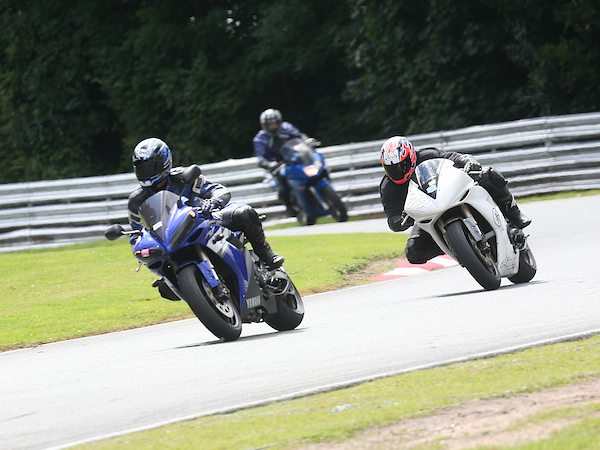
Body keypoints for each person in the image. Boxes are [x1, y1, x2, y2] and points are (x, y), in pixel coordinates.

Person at [127, 137, 284, 276]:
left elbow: (219, 190)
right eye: (141, 167)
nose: (145, 172)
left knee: (244, 213)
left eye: (150, 166)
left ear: (164, 162)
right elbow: (136, 235)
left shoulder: (182, 177)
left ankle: (265, 253)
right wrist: (142, 244)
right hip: (168, 242)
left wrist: (214, 201)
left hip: (205, 221)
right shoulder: (136, 201)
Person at [379, 136, 531, 264]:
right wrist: (400, 221)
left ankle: (514, 213)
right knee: (414, 253)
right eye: (391, 168)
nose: (397, 172)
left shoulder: (427, 155)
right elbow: (392, 217)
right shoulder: (388, 187)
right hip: (428, 213)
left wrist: (468, 162)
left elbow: (454, 157)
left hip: (452, 192)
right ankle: (457, 247)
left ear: (411, 157)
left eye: (401, 165)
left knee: (489, 174)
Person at [252, 108, 320, 215]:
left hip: (294, 158)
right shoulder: (260, 138)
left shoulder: (287, 127)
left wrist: (307, 141)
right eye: (270, 125)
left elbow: (299, 135)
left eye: (274, 123)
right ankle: (290, 207)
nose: (273, 126)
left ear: (279, 122)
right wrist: (268, 164)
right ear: (264, 125)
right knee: (282, 189)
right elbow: (260, 157)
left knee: (314, 168)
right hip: (276, 166)